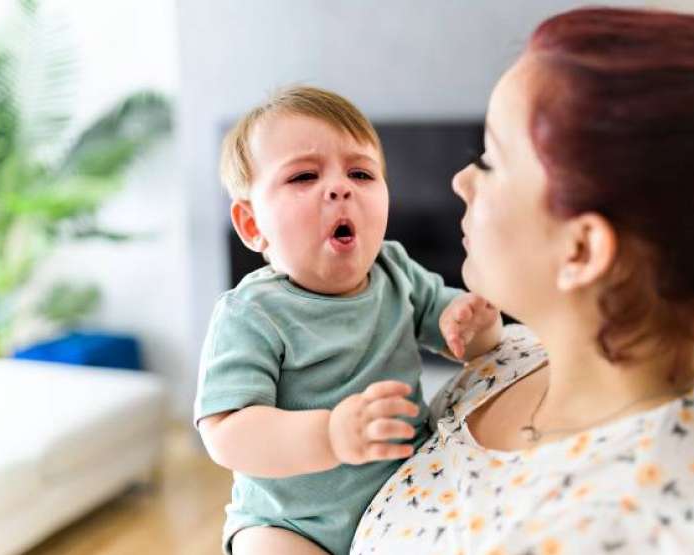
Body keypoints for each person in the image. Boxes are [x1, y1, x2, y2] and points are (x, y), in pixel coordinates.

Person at [351, 7, 694, 555]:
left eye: (490, 159)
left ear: (583, 249)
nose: (460, 179)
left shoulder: (619, 529)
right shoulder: (527, 355)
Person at [193, 86, 503, 555]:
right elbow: (227, 434)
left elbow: (469, 342)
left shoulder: (395, 271)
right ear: (253, 225)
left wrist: (476, 325)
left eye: (360, 173)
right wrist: (329, 435)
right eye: (303, 177)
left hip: (403, 492)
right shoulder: (252, 313)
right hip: (289, 523)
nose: (340, 188)